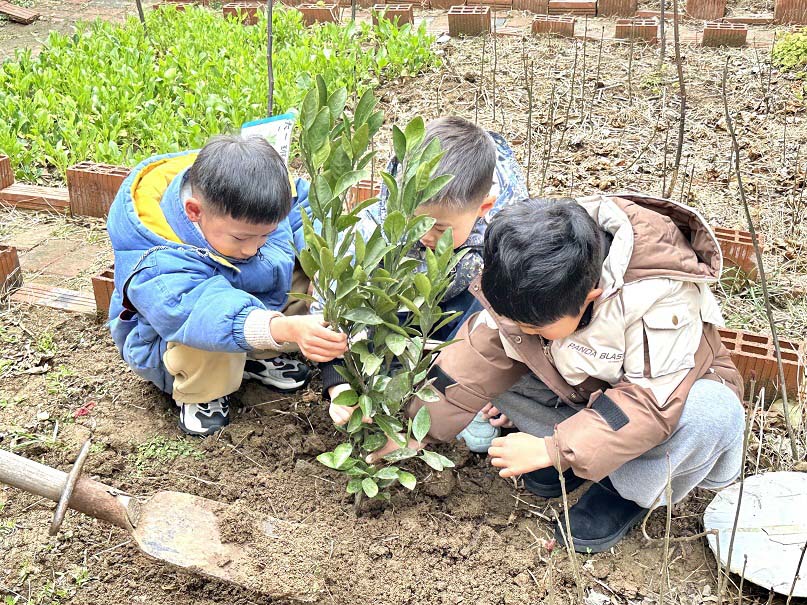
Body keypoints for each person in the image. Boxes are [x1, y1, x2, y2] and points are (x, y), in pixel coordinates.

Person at [381, 193, 746, 553]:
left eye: (535, 327)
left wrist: (553, 449)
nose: (525, 331)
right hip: (585, 391)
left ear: (589, 298)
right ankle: (580, 460)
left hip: (655, 410)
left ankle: (622, 492)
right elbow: (475, 358)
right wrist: (416, 431)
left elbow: (647, 405)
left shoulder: (658, 295)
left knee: (711, 412)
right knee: (492, 362)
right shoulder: (533, 256)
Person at [106, 135, 347, 436]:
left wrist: (323, 267)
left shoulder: (256, 197)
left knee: (303, 269)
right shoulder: (157, 257)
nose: (253, 248)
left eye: (266, 235)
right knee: (207, 329)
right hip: (176, 340)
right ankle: (201, 393)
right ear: (194, 211)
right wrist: (286, 328)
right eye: (241, 237)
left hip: (250, 307)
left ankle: (253, 360)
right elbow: (203, 313)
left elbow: (307, 211)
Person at [320, 117, 529, 451]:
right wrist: (337, 381)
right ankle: (390, 378)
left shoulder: (510, 234)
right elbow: (335, 302)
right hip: (403, 313)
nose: (425, 235)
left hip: (466, 320)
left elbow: (518, 324)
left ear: (484, 207)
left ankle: (463, 394)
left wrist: (502, 392)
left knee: (492, 294)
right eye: (415, 222)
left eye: (441, 229)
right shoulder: (376, 225)